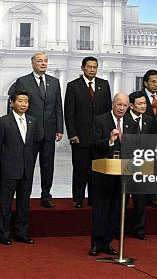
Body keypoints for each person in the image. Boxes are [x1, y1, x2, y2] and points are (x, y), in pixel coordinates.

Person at [8, 52, 63, 208]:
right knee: (27, 166)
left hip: (49, 132)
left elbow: (58, 106)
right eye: (40, 61)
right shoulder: (23, 82)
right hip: (29, 132)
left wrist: (59, 128)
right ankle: (25, 197)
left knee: (48, 166)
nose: (43, 63)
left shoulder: (54, 82)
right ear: (32, 64)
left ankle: (46, 195)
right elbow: (16, 106)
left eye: (45, 61)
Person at [0, 90, 41, 245]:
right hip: (9, 168)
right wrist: (6, 160)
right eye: (20, 101)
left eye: (26, 101)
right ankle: (3, 233)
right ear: (12, 103)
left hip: (27, 169)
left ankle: (21, 233)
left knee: (23, 203)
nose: (23, 104)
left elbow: (35, 143)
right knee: (5, 203)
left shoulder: (33, 121)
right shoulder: (3, 121)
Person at [65, 57, 112, 208]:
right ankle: (78, 199)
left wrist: (107, 135)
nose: (92, 70)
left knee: (97, 171)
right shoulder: (73, 86)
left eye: (95, 67)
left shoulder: (104, 85)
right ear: (83, 68)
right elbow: (69, 112)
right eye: (89, 67)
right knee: (80, 170)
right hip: (80, 137)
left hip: (99, 138)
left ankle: (94, 199)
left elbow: (107, 112)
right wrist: (72, 134)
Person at [88, 93, 128, 257]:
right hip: (103, 175)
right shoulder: (100, 120)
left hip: (122, 176)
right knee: (100, 211)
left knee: (115, 213)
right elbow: (94, 144)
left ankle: (107, 243)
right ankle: (96, 244)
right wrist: (109, 141)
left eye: (125, 105)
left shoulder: (131, 123)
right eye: (119, 104)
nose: (121, 108)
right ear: (113, 104)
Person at [123, 91, 157, 240]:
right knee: (123, 199)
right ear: (131, 105)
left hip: (143, 164)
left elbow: (153, 142)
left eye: (145, 103)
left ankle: (138, 228)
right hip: (126, 164)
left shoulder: (149, 120)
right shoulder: (124, 119)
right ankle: (118, 228)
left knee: (140, 200)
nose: (143, 106)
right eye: (140, 103)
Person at [141, 69, 157, 208]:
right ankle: (141, 198)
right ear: (145, 82)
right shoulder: (137, 97)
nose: (156, 84)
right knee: (144, 169)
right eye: (153, 81)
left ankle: (152, 197)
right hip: (142, 139)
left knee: (156, 169)